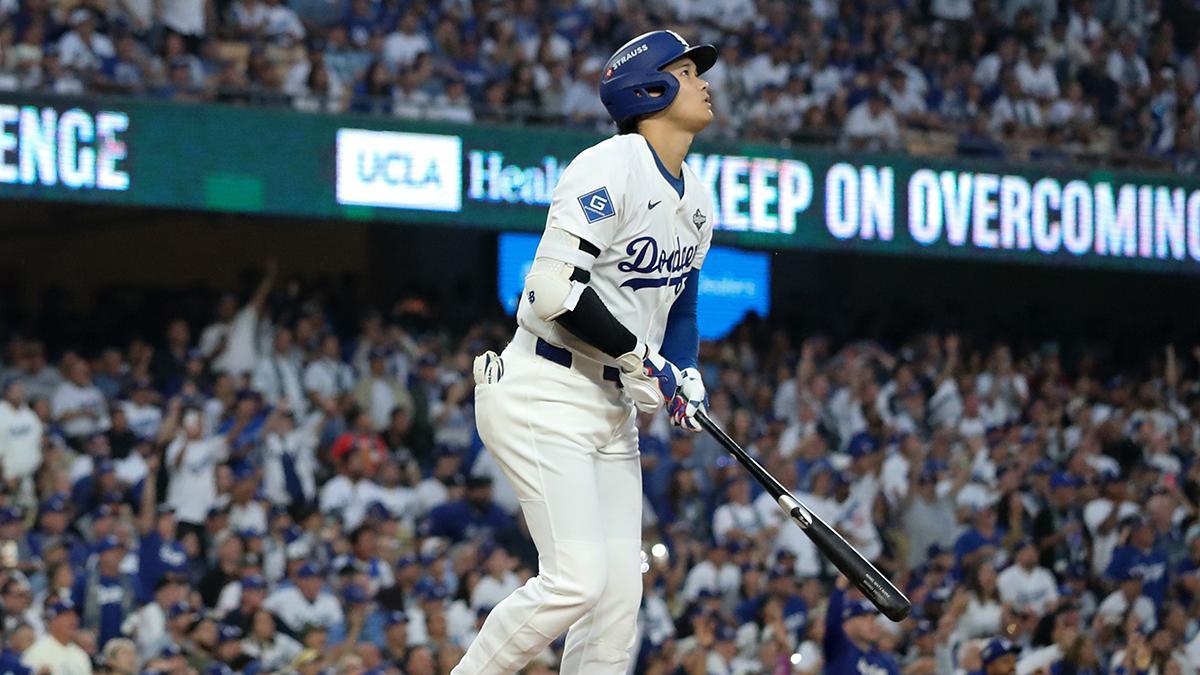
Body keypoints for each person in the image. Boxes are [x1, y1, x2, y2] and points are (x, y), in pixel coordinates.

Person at [452, 29, 717, 675]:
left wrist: (682, 371)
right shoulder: (609, 165)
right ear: (649, 87)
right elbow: (549, 291)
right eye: (686, 71)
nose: (705, 82)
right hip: (546, 386)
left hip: (608, 407)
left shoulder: (698, 191)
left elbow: (681, 304)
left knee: (619, 595)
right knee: (577, 579)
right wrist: (637, 357)